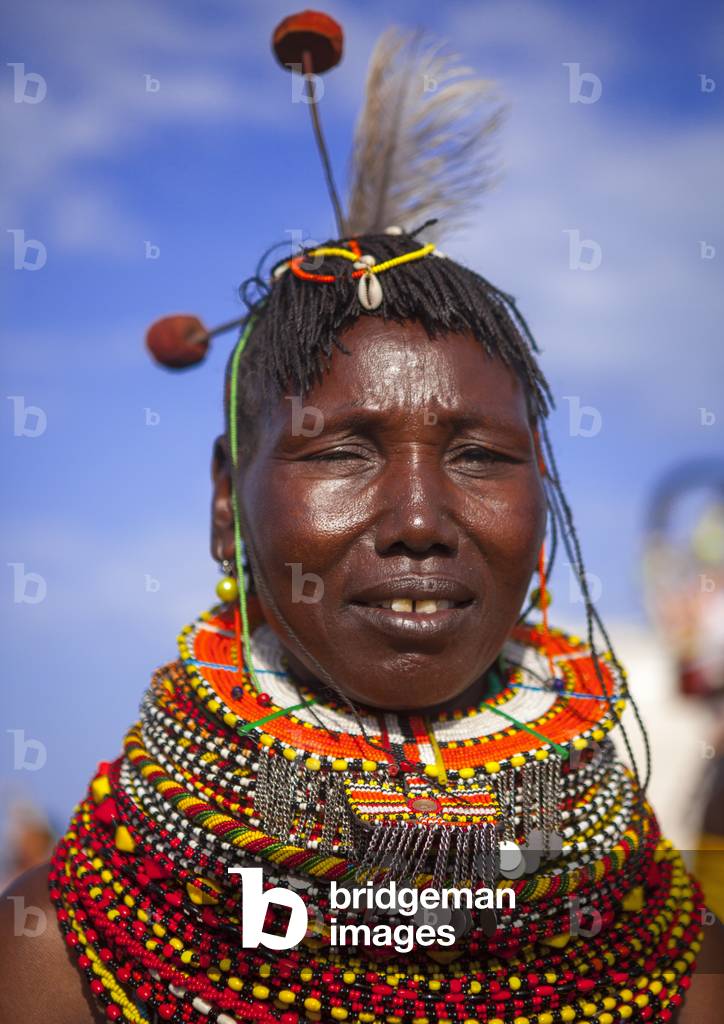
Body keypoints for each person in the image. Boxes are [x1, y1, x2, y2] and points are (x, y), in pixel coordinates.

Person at [2, 12, 722, 1024]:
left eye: (479, 455)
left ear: (543, 499)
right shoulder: (50, 964)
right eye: (341, 450)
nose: (420, 519)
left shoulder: (686, 968)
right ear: (225, 501)